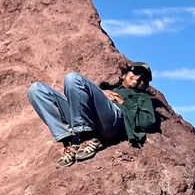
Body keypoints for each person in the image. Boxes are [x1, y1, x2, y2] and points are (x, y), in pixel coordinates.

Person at [26, 62, 156, 167]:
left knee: (73, 78)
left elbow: (147, 121)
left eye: (143, 78)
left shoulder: (142, 97)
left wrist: (123, 101)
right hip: (90, 118)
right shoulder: (107, 90)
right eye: (137, 72)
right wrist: (103, 92)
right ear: (123, 75)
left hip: (113, 121)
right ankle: (71, 142)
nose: (138, 77)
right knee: (36, 90)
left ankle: (87, 137)